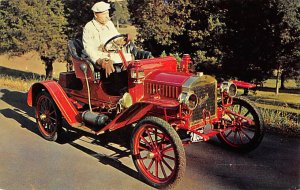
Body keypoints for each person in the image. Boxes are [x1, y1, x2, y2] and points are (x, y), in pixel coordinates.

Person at [82, 1, 133, 77]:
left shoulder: (109, 24)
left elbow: (117, 37)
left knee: (130, 59)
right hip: (98, 55)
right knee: (109, 64)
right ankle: (112, 85)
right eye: (104, 14)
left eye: (107, 13)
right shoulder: (89, 27)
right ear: (95, 14)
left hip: (111, 53)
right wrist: (99, 60)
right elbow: (89, 49)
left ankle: (128, 82)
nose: (107, 16)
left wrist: (125, 39)